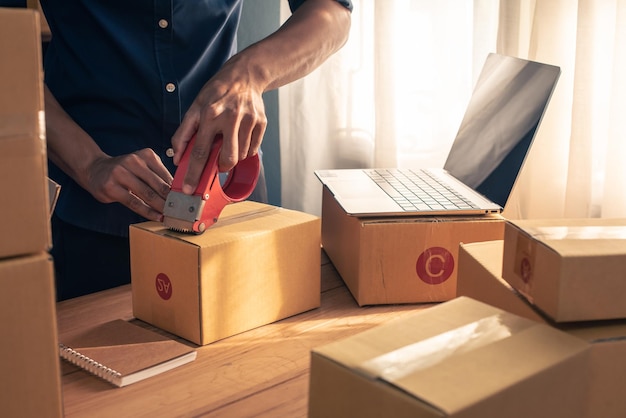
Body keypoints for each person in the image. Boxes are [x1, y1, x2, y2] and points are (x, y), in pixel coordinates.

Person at [39, 0, 353, 300]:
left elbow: (332, 14)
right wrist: (90, 163)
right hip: (94, 217)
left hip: (231, 204)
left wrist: (250, 73)